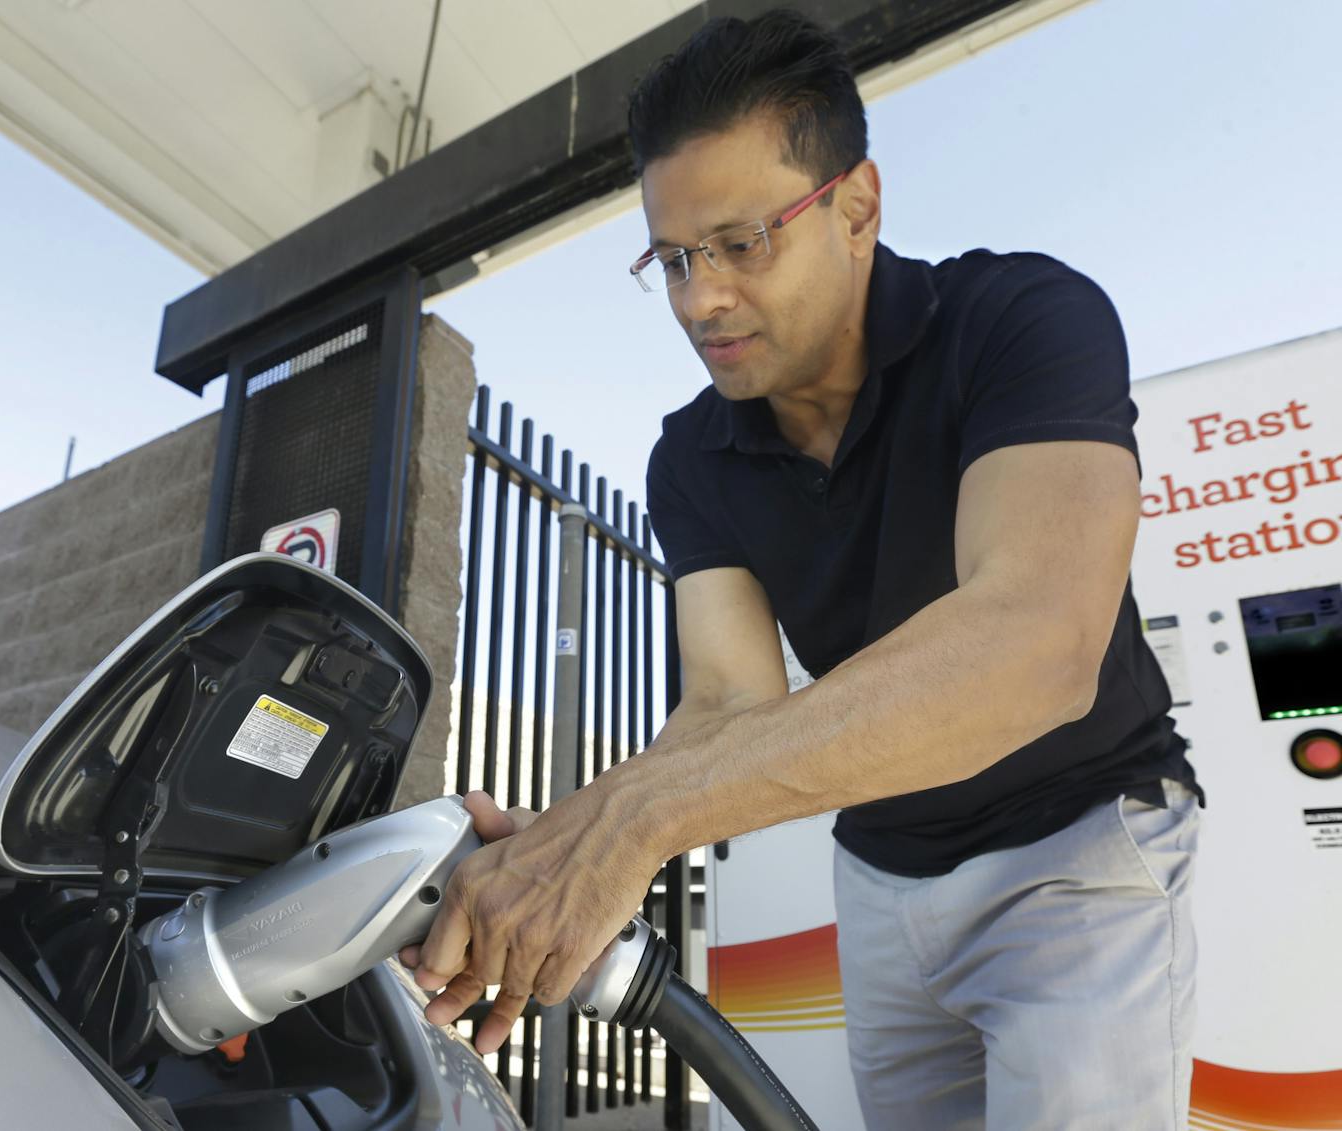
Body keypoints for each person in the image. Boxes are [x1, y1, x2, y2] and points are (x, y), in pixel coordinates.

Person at [401, 10, 1202, 1128]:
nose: (698, 299)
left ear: (857, 206)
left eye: (738, 243)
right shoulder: (690, 452)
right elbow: (728, 701)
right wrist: (561, 841)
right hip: (879, 876)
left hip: (1072, 842)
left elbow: (1036, 646)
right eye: (672, 259)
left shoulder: (1019, 320)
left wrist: (631, 831)